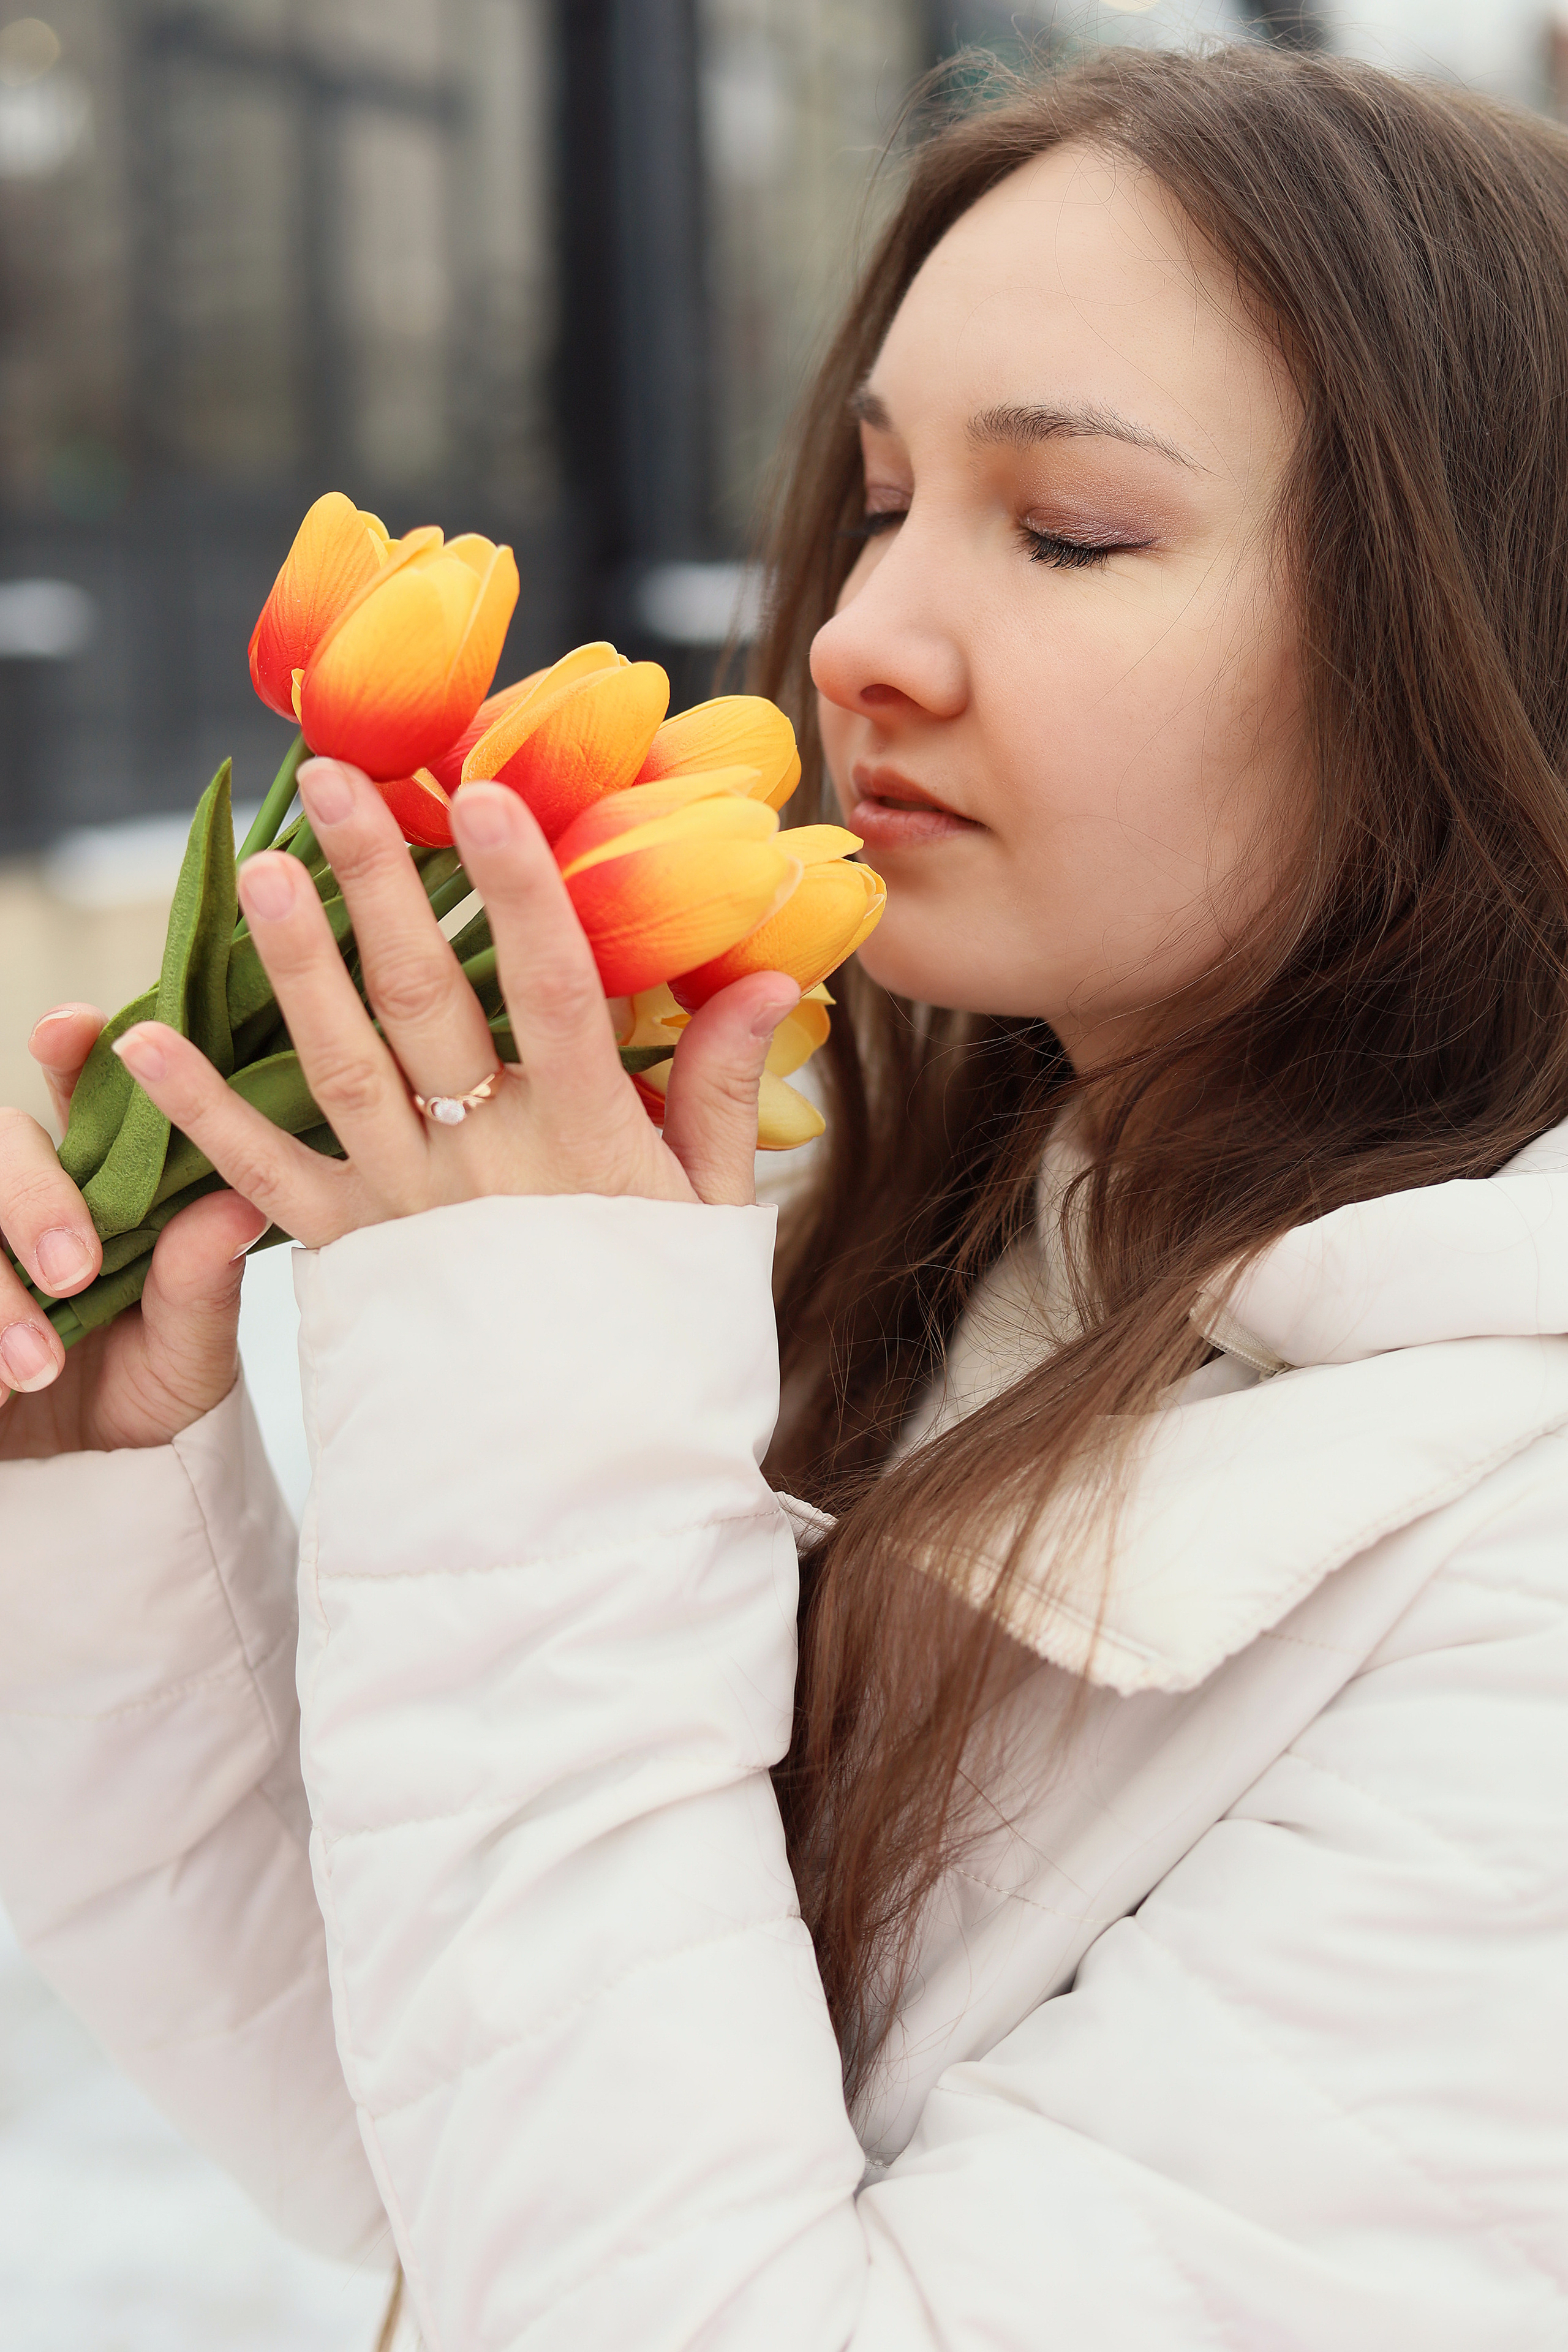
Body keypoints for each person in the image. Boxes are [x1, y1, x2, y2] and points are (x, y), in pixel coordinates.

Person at [1, 41, 1565, 2350]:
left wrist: (535, 1412)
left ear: (1481, 631)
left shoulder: (1514, 1570)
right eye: (880, 496)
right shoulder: (1014, 1261)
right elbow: (437, 2128)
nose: (855, 637)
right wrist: (120, 1485)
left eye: (1064, 531)